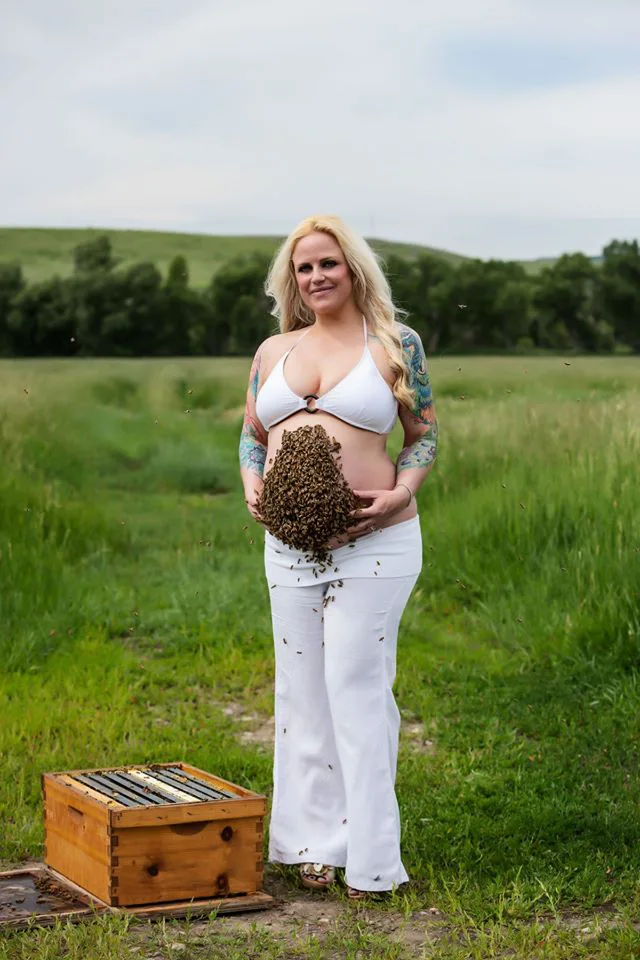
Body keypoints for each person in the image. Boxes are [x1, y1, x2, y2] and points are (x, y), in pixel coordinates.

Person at [239, 214, 437, 899]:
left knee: (355, 686)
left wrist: (401, 492)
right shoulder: (272, 351)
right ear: (290, 280)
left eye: (329, 264)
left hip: (376, 542)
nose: (317, 276)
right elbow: (250, 437)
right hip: (288, 546)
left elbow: (424, 437)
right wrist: (251, 484)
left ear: (353, 270)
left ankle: (372, 857)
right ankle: (312, 843)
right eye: (304, 268)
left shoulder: (394, 344)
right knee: (301, 691)